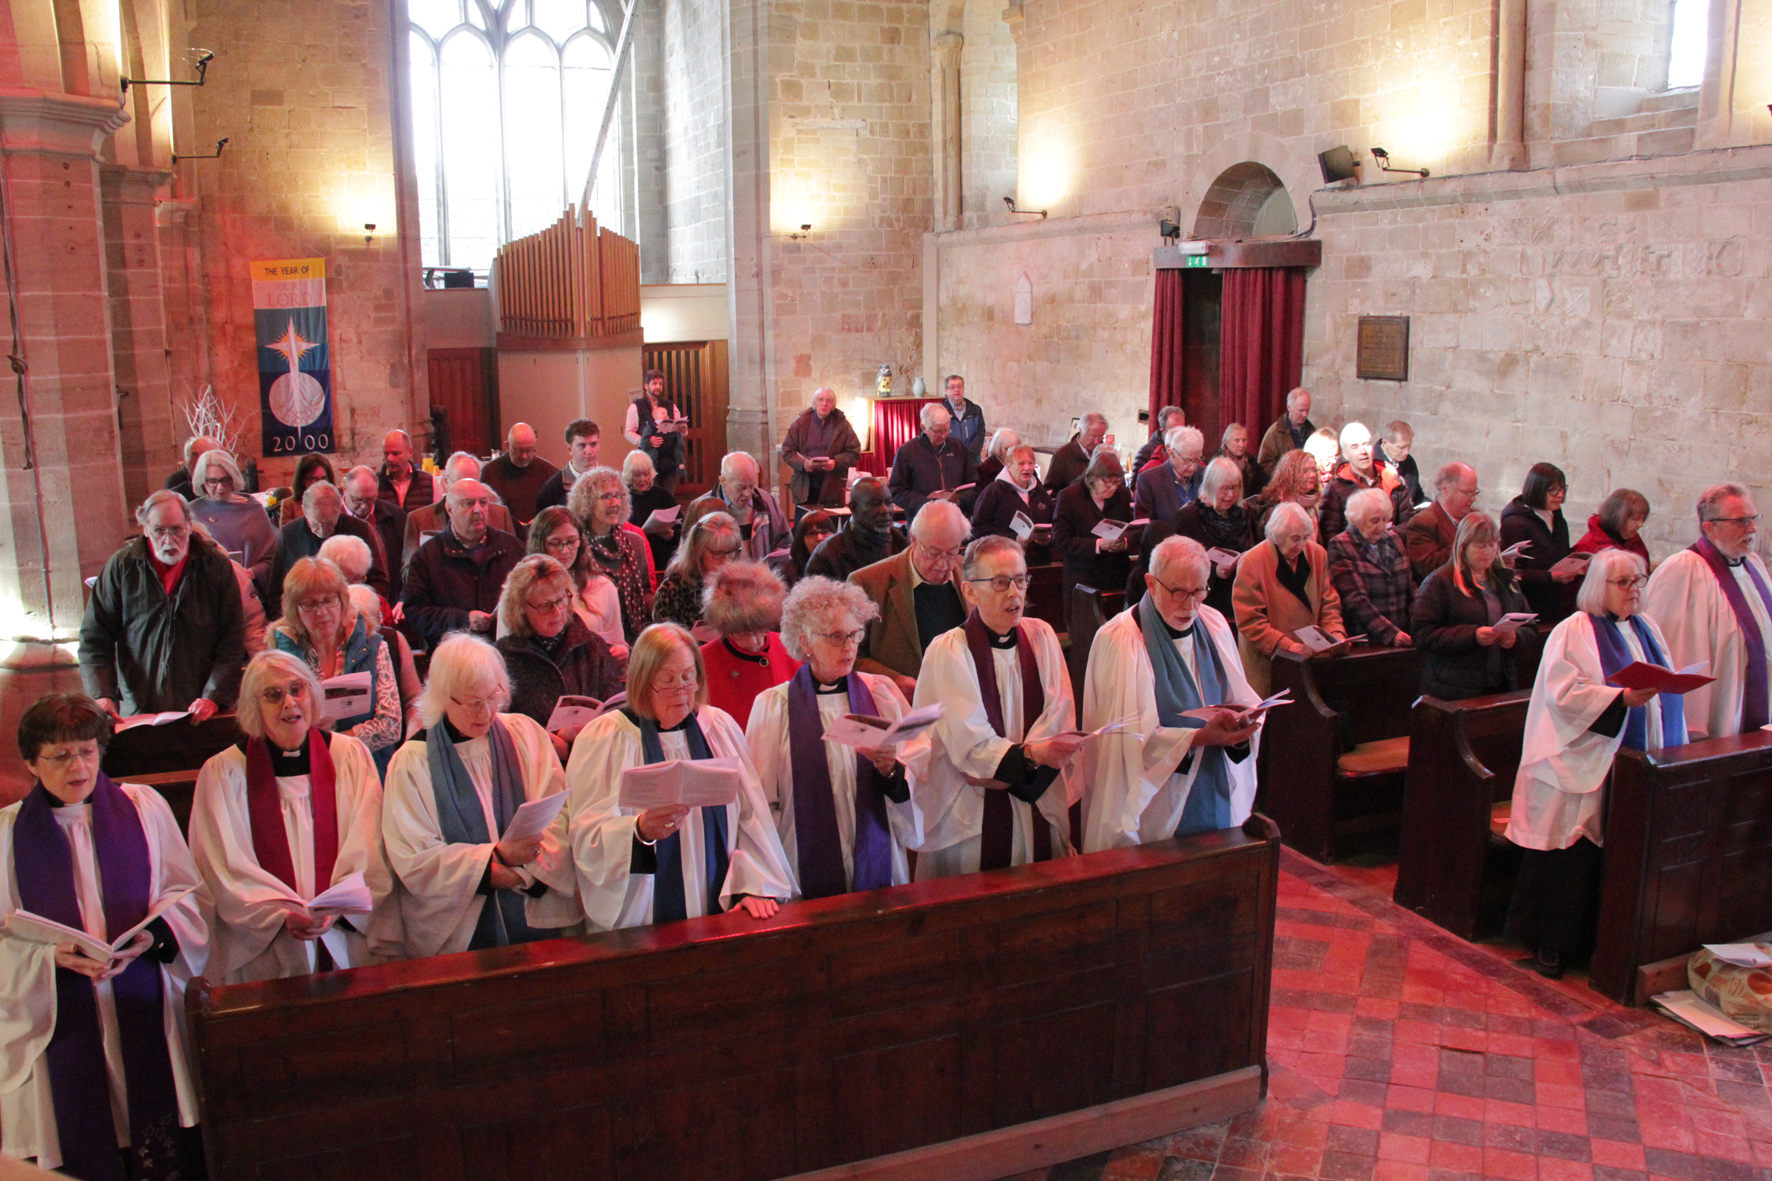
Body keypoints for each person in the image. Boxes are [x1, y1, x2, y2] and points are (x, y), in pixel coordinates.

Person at [0, 692, 210, 1179]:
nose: (78, 766)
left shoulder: (143, 807)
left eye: (88, 751)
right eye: (60, 755)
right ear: (31, 762)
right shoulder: (8, 834)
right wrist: (51, 957)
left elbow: (186, 893)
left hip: (142, 1002)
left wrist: (153, 936)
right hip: (60, 1012)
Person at [1505, 549, 1685, 979]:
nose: (1634, 591)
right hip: (1583, 762)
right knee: (1573, 856)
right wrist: (1619, 699)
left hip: (1638, 761)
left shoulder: (1648, 628)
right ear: (1598, 586)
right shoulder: (1574, 631)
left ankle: (1606, 943)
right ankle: (1554, 944)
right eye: (1623, 583)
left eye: (1639, 581)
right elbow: (1562, 695)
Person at [558, 623, 795, 929]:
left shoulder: (719, 728)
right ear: (643, 682)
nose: (682, 692)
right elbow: (585, 835)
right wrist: (639, 830)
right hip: (643, 920)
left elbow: (751, 817)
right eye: (667, 681)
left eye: (688, 677)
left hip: (719, 911)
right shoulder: (606, 738)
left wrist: (751, 886)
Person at [188, 651, 397, 983]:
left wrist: (336, 907)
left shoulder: (349, 757)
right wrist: (278, 915)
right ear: (253, 706)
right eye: (273, 695)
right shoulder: (223, 773)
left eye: (297, 689)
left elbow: (370, 844)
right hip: (265, 949)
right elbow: (221, 865)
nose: (289, 703)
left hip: (344, 937)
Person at [381, 633, 575, 956]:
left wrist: (526, 873)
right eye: (472, 702)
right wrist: (495, 862)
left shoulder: (524, 734)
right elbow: (414, 856)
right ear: (443, 697)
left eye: (492, 697)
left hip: (533, 908)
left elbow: (558, 814)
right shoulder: (411, 763)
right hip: (459, 935)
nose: (485, 713)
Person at [911, 536, 1085, 878]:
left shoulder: (1042, 637)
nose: (1015, 593)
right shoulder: (948, 651)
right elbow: (969, 744)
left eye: (1020, 580)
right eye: (1001, 582)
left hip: (1038, 801)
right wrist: (1033, 759)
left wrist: (1024, 771)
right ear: (970, 591)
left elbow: (1060, 715)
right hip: (973, 818)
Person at [1080, 536, 1263, 851]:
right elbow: (1122, 745)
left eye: (1200, 591)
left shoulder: (1215, 624)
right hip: (1152, 810)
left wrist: (1243, 723)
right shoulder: (1122, 640)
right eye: (1178, 592)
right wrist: (1199, 737)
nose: (1190, 605)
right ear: (1151, 583)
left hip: (1212, 782)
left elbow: (1240, 696)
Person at [746, 577, 925, 896]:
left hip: (878, 855)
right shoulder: (775, 706)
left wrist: (892, 771)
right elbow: (760, 802)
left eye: (855, 634)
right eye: (836, 637)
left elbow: (918, 773)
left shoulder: (881, 695)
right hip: (801, 861)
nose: (849, 647)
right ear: (805, 642)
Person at [80, 488, 245, 721]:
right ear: (146, 529)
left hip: (200, 710)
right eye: (159, 530)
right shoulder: (122, 567)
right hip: (138, 709)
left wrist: (213, 696)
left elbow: (232, 641)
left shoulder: (214, 567)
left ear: (189, 525)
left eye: (176, 529)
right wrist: (102, 694)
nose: (168, 540)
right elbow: (94, 639)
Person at [1642, 483, 1772, 738]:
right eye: (1742, 521)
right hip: (1719, 712)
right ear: (1709, 527)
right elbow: (1672, 649)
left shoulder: (1752, 564)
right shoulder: (1684, 570)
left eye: (1753, 518)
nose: (1753, 528)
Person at [271, 557, 404, 772]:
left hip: (367, 769)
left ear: (342, 601)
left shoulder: (372, 645)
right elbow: (273, 725)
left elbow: (391, 726)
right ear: (294, 609)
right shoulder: (282, 654)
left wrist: (331, 743)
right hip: (305, 772)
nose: (322, 612)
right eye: (311, 603)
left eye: (328, 600)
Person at [494, 555, 623, 761]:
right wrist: (548, 746)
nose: (557, 612)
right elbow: (499, 731)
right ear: (520, 609)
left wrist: (572, 746)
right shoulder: (503, 657)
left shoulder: (592, 646)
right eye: (545, 606)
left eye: (561, 600)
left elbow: (616, 714)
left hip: (593, 762)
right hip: (534, 769)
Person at [851, 500, 971, 700]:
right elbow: (851, 656)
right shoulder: (868, 583)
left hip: (965, 698)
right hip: (902, 704)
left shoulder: (970, 573)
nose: (943, 564)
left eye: (952, 552)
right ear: (913, 539)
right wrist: (894, 679)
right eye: (933, 553)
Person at [1411, 511, 1535, 700]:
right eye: (1480, 546)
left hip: (1500, 684)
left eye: (1492, 545)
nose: (1487, 552)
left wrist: (1515, 638)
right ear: (1463, 547)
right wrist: (1472, 635)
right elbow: (1422, 635)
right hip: (1452, 689)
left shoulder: (1505, 580)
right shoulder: (1440, 582)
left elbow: (1530, 627)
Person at [1232, 501, 1347, 697]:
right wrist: (1288, 647)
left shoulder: (1317, 554)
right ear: (1275, 535)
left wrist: (1335, 635)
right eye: (1295, 539)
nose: (1301, 546)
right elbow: (1250, 621)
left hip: (1311, 660)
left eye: (1305, 538)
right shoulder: (1253, 561)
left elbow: (1329, 603)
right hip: (1269, 664)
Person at [401, 478, 525, 646]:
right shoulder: (428, 556)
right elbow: (416, 613)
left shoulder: (511, 548)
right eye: (468, 504)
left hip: (504, 650)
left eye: (483, 503)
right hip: (453, 652)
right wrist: (463, 620)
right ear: (449, 509)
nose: (478, 510)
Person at [265, 480, 393, 619]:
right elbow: (275, 592)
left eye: (328, 524)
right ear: (304, 509)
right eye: (315, 524)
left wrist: (362, 604)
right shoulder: (288, 534)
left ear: (339, 510)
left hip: (353, 617)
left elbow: (379, 581)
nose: (321, 531)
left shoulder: (359, 529)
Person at [698, 561, 799, 729]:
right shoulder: (702, 661)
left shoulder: (791, 648)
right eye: (742, 633)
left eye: (759, 630)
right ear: (725, 628)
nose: (753, 641)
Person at [570, 465, 655, 643]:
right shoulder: (575, 545)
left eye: (618, 495)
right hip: (590, 639)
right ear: (587, 502)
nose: (615, 503)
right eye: (607, 497)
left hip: (634, 637)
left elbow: (646, 591)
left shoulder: (634, 542)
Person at [1168, 457, 1256, 621]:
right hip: (1207, 602)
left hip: (1243, 597)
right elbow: (1179, 564)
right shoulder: (1190, 517)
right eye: (1225, 489)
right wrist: (1214, 571)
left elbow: (1256, 549)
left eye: (1235, 488)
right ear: (1211, 486)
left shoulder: (1245, 513)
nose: (1231, 495)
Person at [528, 506, 624, 654]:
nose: (565, 550)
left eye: (572, 541)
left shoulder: (603, 586)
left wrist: (620, 652)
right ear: (540, 544)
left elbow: (618, 641)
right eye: (555, 543)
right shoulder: (523, 589)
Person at [401, 451, 517, 574]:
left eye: (472, 482)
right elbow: (408, 571)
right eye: (460, 483)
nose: (466, 489)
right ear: (445, 482)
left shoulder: (500, 514)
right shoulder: (419, 519)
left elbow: (516, 565)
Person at [1051, 449, 1135, 618]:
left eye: (1116, 482)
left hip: (1116, 575)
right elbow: (1060, 539)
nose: (1112, 487)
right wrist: (1098, 544)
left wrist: (1124, 542)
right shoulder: (1070, 496)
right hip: (1082, 578)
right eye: (1106, 482)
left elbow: (1133, 530)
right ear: (1092, 478)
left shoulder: (1123, 495)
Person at [1327, 487, 1414, 647]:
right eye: (1374, 521)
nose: (1381, 526)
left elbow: (1411, 587)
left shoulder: (1393, 539)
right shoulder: (1340, 545)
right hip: (1368, 639)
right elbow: (1355, 599)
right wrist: (1391, 634)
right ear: (1357, 520)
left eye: (1384, 520)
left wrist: (1418, 624)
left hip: (1404, 634)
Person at [1501, 462, 1585, 627]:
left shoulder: (1559, 520)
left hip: (1557, 605)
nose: (1560, 495)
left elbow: (1560, 555)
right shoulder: (1516, 523)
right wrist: (1550, 577)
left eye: (1562, 489)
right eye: (1553, 490)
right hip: (1530, 608)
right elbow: (1509, 573)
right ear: (1537, 489)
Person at [189, 448, 278, 586]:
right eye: (212, 481)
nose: (220, 488)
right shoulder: (192, 512)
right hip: (206, 589)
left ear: (234, 478)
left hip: (249, 587)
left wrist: (251, 573)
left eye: (225, 480)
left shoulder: (252, 508)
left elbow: (272, 557)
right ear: (202, 481)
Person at [683, 451, 792, 564]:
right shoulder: (702, 508)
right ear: (723, 481)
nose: (748, 494)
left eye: (752, 486)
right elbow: (686, 557)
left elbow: (785, 542)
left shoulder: (766, 501)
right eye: (741, 488)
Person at [1318, 421, 1414, 543]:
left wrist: (1387, 535)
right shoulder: (1336, 488)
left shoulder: (1393, 480)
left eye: (1366, 444)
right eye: (1355, 447)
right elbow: (1330, 534)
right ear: (1346, 455)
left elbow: (1410, 522)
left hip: (1391, 551)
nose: (1363, 451)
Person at [653, 510, 742, 636]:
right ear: (698, 551)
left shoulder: (740, 585)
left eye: (731, 552)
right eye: (717, 553)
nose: (726, 561)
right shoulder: (672, 590)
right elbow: (662, 645)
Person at [887, 402, 978, 520]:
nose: (944, 435)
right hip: (922, 520)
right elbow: (896, 492)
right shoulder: (907, 451)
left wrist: (960, 501)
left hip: (955, 519)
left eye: (947, 430)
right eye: (938, 431)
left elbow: (974, 486)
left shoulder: (958, 448)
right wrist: (928, 504)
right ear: (924, 428)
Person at [807, 476, 906, 581]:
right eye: (875, 503)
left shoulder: (904, 547)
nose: (885, 510)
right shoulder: (828, 555)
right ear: (854, 508)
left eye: (888, 502)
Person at [781, 387, 863, 510]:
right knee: (804, 525)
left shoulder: (842, 424)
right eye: (820, 400)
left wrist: (836, 462)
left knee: (829, 527)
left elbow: (854, 452)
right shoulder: (801, 422)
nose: (824, 403)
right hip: (805, 485)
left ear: (833, 405)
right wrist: (803, 464)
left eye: (828, 400)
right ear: (814, 403)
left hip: (832, 485)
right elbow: (787, 451)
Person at [970, 443, 1056, 556]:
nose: (1027, 468)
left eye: (1031, 463)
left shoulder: (1040, 492)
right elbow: (979, 528)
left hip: (1037, 559)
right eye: (1021, 463)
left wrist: (1048, 538)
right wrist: (1013, 539)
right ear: (1008, 465)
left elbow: (1054, 522)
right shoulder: (994, 491)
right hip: (1002, 558)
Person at [341, 463, 407, 599]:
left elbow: (408, 562)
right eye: (357, 500)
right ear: (344, 490)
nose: (364, 506)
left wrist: (403, 597)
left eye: (370, 500)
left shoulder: (396, 516)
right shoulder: (333, 520)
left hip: (390, 599)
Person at [1405, 462, 1479, 581]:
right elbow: (1430, 568)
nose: (1473, 498)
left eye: (1475, 492)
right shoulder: (1422, 523)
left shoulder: (1475, 517)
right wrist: (1469, 544)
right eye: (1467, 493)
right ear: (1446, 488)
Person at [481, 422, 559, 528]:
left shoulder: (549, 471)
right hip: (504, 532)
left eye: (529, 450)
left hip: (539, 531)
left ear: (535, 443)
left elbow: (558, 508)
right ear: (507, 446)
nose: (524, 456)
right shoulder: (489, 472)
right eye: (518, 450)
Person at [624, 369, 688, 493]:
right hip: (648, 459)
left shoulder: (670, 406)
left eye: (660, 384)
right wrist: (648, 440)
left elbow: (681, 433)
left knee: (668, 496)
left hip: (669, 460)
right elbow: (628, 432)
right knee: (651, 494)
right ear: (646, 386)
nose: (658, 387)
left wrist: (682, 431)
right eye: (654, 384)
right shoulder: (636, 406)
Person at [1133, 425, 1205, 522]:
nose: (1193, 467)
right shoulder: (1149, 480)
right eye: (1188, 461)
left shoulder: (1206, 475)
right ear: (1172, 454)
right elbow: (1144, 529)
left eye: (1197, 460)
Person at [625, 448, 681, 573]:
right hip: (635, 560)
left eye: (646, 474)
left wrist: (670, 534)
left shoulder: (663, 495)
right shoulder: (624, 498)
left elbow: (680, 528)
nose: (643, 480)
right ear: (629, 476)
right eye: (637, 475)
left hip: (662, 559)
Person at [1247, 448, 1323, 536]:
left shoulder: (1311, 507)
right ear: (1291, 475)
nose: (1313, 475)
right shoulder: (1274, 509)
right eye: (1306, 471)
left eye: (1314, 470)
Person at [536, 418, 604, 514]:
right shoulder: (552, 489)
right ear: (569, 449)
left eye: (593, 444)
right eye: (582, 446)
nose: (589, 451)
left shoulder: (612, 483)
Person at [1573, 488, 1652, 565]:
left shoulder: (1635, 540)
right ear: (1617, 518)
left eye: (1643, 519)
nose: (1641, 525)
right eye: (1635, 519)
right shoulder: (1587, 546)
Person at [377, 428, 438, 514]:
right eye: (386, 454)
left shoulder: (429, 482)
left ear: (409, 452)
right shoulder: (376, 483)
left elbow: (439, 518)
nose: (389, 459)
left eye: (395, 453)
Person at [1256, 387, 1314, 477]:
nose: (1305, 415)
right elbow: (1264, 464)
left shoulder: (1312, 431)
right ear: (1289, 407)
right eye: (1301, 410)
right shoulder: (1274, 433)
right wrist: (1287, 474)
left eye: (1307, 410)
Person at [1043, 412, 1107, 491]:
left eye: (1101, 436)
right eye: (1093, 436)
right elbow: (1051, 491)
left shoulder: (1106, 453)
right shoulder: (1062, 455)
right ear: (1081, 430)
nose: (1097, 441)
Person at [778, 509, 838, 586]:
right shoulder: (789, 573)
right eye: (811, 533)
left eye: (824, 532)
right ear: (801, 539)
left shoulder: (843, 563)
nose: (819, 538)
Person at [278, 453, 336, 526]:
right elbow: (286, 535)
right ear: (303, 480)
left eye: (324, 478)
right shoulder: (289, 505)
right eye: (314, 479)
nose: (320, 483)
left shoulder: (336, 502)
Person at [941, 374, 988, 464]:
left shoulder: (975, 410)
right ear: (946, 390)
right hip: (949, 462)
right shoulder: (940, 412)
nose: (956, 390)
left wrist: (967, 455)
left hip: (972, 461)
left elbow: (980, 434)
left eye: (959, 386)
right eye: (952, 387)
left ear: (963, 388)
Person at [164, 433, 218, 500]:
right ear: (186, 461)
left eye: (204, 454)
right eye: (194, 455)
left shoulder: (230, 491)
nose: (199, 459)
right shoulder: (175, 497)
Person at [1134, 407, 1186, 474]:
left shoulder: (1187, 450)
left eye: (1182, 430)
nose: (1179, 436)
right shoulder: (1146, 452)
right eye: (1174, 432)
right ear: (1163, 431)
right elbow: (1136, 483)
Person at [1379, 421, 1420, 504]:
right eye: (1401, 447)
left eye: (1409, 446)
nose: (1406, 452)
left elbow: (1418, 496)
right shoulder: (1373, 465)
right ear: (1385, 443)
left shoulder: (1409, 461)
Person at [1219, 422, 1264, 498]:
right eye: (1237, 440)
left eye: (1244, 440)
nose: (1242, 445)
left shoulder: (1252, 461)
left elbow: (1263, 484)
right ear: (1227, 442)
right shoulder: (1218, 463)